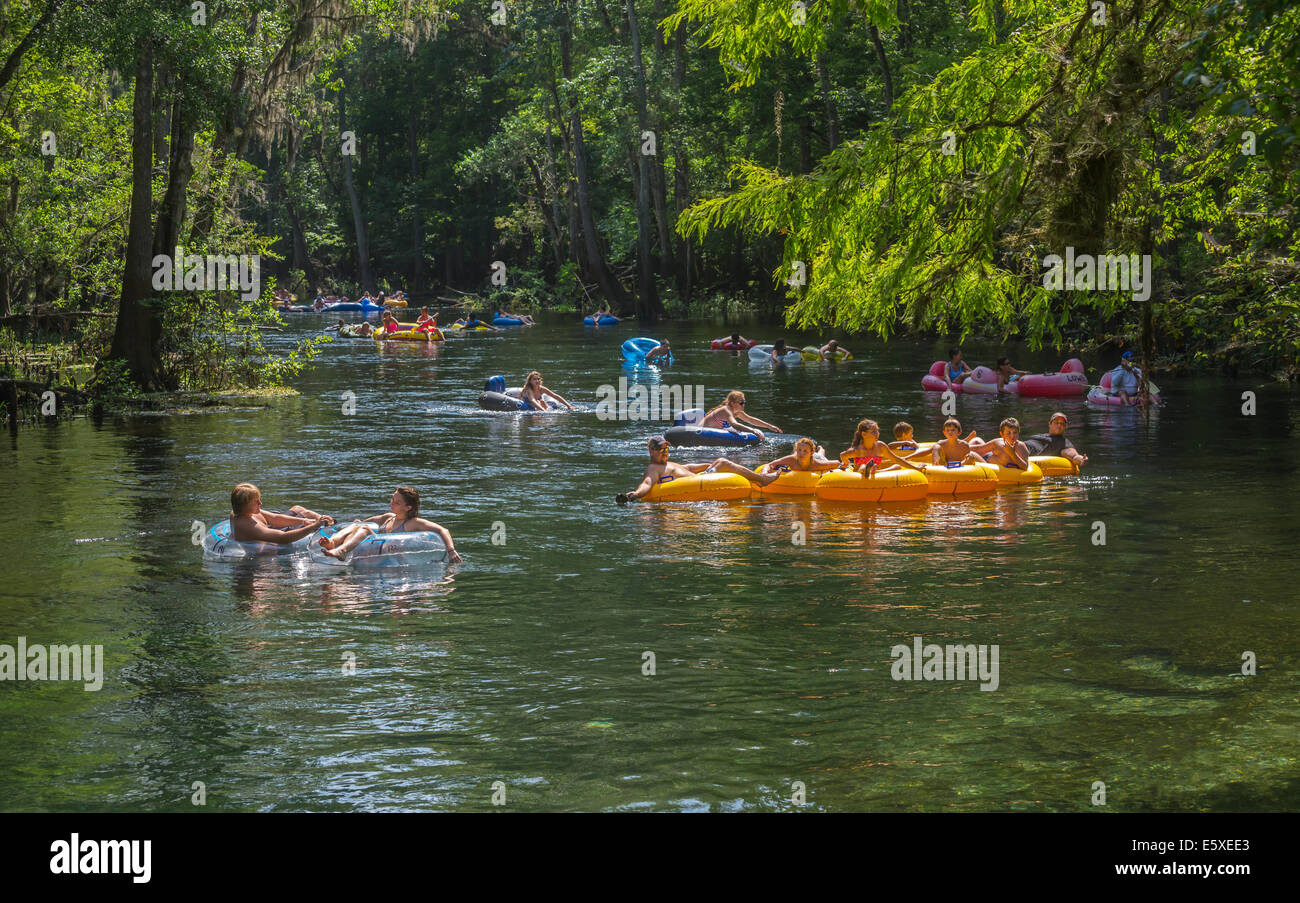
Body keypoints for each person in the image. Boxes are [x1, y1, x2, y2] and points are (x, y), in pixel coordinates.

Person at [318, 486, 462, 564]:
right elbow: (362, 522)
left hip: (392, 557)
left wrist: (451, 550)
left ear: (408, 507)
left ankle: (341, 551)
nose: (391, 503)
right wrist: (357, 523)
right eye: (392, 499)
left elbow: (443, 530)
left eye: (397, 502)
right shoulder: (388, 517)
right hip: (374, 554)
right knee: (359, 526)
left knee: (364, 528)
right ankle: (333, 542)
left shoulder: (412, 523)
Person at [616, 436, 778, 503]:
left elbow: (689, 467)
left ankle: (756, 480)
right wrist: (635, 494)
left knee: (719, 463)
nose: (665, 452)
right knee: (722, 461)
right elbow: (647, 482)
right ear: (651, 451)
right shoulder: (653, 468)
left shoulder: (668, 464)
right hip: (696, 483)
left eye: (667, 449)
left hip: (700, 477)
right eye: (661, 450)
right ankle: (762, 479)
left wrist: (709, 466)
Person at [228, 483, 332, 544]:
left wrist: (304, 521)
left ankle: (329, 524)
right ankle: (329, 529)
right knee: (308, 520)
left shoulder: (247, 511)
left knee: (298, 509)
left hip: (270, 531)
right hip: (271, 546)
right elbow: (283, 538)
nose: (260, 503)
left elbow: (274, 518)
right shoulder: (247, 525)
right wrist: (314, 525)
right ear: (244, 504)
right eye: (256, 501)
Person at [839, 420, 927, 476]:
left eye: (877, 431)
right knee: (862, 466)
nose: (877, 434)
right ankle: (868, 469)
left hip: (878, 473)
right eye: (873, 432)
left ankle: (874, 471)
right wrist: (845, 463)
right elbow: (843, 455)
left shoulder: (880, 446)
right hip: (859, 474)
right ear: (864, 434)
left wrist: (916, 468)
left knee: (897, 466)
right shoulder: (857, 450)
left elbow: (897, 459)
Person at [699, 390, 781, 440]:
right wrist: (752, 431)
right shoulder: (726, 410)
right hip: (702, 433)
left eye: (744, 402)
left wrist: (769, 426)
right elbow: (734, 424)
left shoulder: (737, 411)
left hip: (714, 433)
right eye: (741, 403)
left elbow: (750, 420)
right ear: (732, 403)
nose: (743, 405)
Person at [1020, 412, 1088, 467]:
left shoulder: (1064, 442)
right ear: (1050, 424)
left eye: (1062, 424)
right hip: (1023, 446)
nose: (1059, 425)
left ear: (1065, 427)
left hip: (1029, 454)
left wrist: (1081, 459)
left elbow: (1073, 455)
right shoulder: (1040, 436)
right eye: (1056, 422)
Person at [761, 437, 840, 474]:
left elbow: (837, 463)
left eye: (805, 451)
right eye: (799, 450)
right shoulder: (792, 459)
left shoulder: (816, 464)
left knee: (820, 455)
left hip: (816, 457)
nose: (801, 453)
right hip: (807, 456)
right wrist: (764, 472)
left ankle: (821, 449)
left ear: (811, 452)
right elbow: (771, 464)